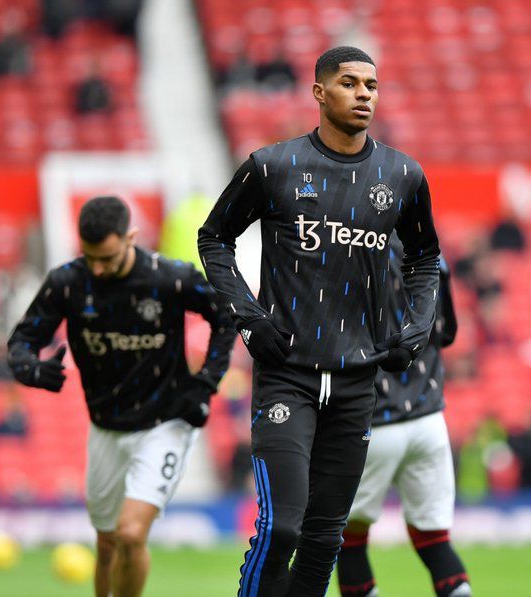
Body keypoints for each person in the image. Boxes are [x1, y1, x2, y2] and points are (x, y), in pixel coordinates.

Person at [198, 46, 441, 597]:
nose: (363, 94)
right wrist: (248, 316)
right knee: (282, 527)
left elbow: (426, 256)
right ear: (319, 93)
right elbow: (214, 238)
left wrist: (416, 322)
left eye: (372, 86)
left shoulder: (402, 175)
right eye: (350, 83)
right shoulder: (273, 166)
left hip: (358, 380)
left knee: (324, 538)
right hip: (288, 373)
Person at [8, 196, 235, 597]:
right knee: (108, 542)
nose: (98, 267)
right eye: (90, 257)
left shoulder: (169, 278)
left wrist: (206, 382)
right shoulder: (67, 282)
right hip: (105, 430)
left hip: (164, 423)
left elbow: (226, 315)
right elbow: (22, 341)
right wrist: (30, 368)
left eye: (108, 258)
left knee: (130, 534)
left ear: (131, 237)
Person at [336, 241, 470, 597]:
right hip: (429, 419)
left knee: (346, 537)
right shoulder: (432, 253)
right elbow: (449, 333)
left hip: (375, 420)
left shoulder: (354, 252)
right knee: (435, 540)